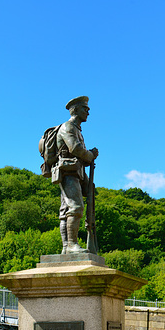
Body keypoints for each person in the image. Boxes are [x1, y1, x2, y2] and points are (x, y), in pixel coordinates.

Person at [56, 96, 99, 254]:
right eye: (84, 108)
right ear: (75, 110)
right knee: (75, 207)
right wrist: (90, 155)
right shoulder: (68, 127)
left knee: (66, 209)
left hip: (76, 172)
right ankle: (71, 245)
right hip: (69, 172)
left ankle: (67, 247)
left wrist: (88, 157)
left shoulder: (77, 129)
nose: (88, 111)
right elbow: (75, 149)